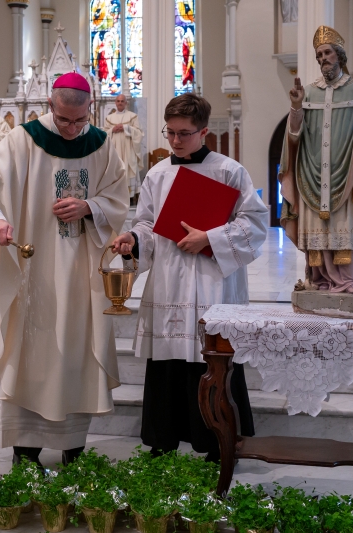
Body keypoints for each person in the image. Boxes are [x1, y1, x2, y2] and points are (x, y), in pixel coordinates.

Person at [0, 72, 129, 467]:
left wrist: (90, 207)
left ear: (91, 109)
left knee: (76, 353)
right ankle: (26, 450)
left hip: (83, 273)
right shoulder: (23, 139)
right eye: (64, 119)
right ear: (50, 106)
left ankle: (74, 447)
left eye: (79, 120)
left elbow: (118, 197)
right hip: (31, 270)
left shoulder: (102, 146)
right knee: (31, 352)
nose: (72, 129)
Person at [110, 93, 269, 461]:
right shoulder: (158, 174)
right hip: (169, 278)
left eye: (184, 133)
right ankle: (162, 440)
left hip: (213, 280)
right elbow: (147, 224)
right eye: (170, 133)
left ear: (203, 132)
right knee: (167, 361)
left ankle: (216, 443)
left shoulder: (229, 171)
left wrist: (209, 238)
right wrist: (133, 239)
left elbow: (255, 223)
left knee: (211, 359)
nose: (176, 141)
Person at [280, 25, 353, 292]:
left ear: (339, 55)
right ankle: (318, 279)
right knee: (316, 228)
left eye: (327, 52)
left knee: (345, 225)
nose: (323, 58)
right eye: (319, 55)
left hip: (345, 172)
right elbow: (294, 134)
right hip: (312, 171)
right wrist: (296, 106)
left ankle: (349, 279)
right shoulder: (309, 92)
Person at [104, 94, 144, 200]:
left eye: (122, 101)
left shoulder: (132, 116)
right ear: (115, 103)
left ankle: (130, 197)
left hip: (128, 149)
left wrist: (126, 128)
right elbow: (103, 134)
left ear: (126, 103)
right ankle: (115, 195)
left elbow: (139, 133)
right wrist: (112, 130)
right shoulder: (109, 118)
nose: (120, 103)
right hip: (115, 150)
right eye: (118, 101)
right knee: (115, 169)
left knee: (128, 168)